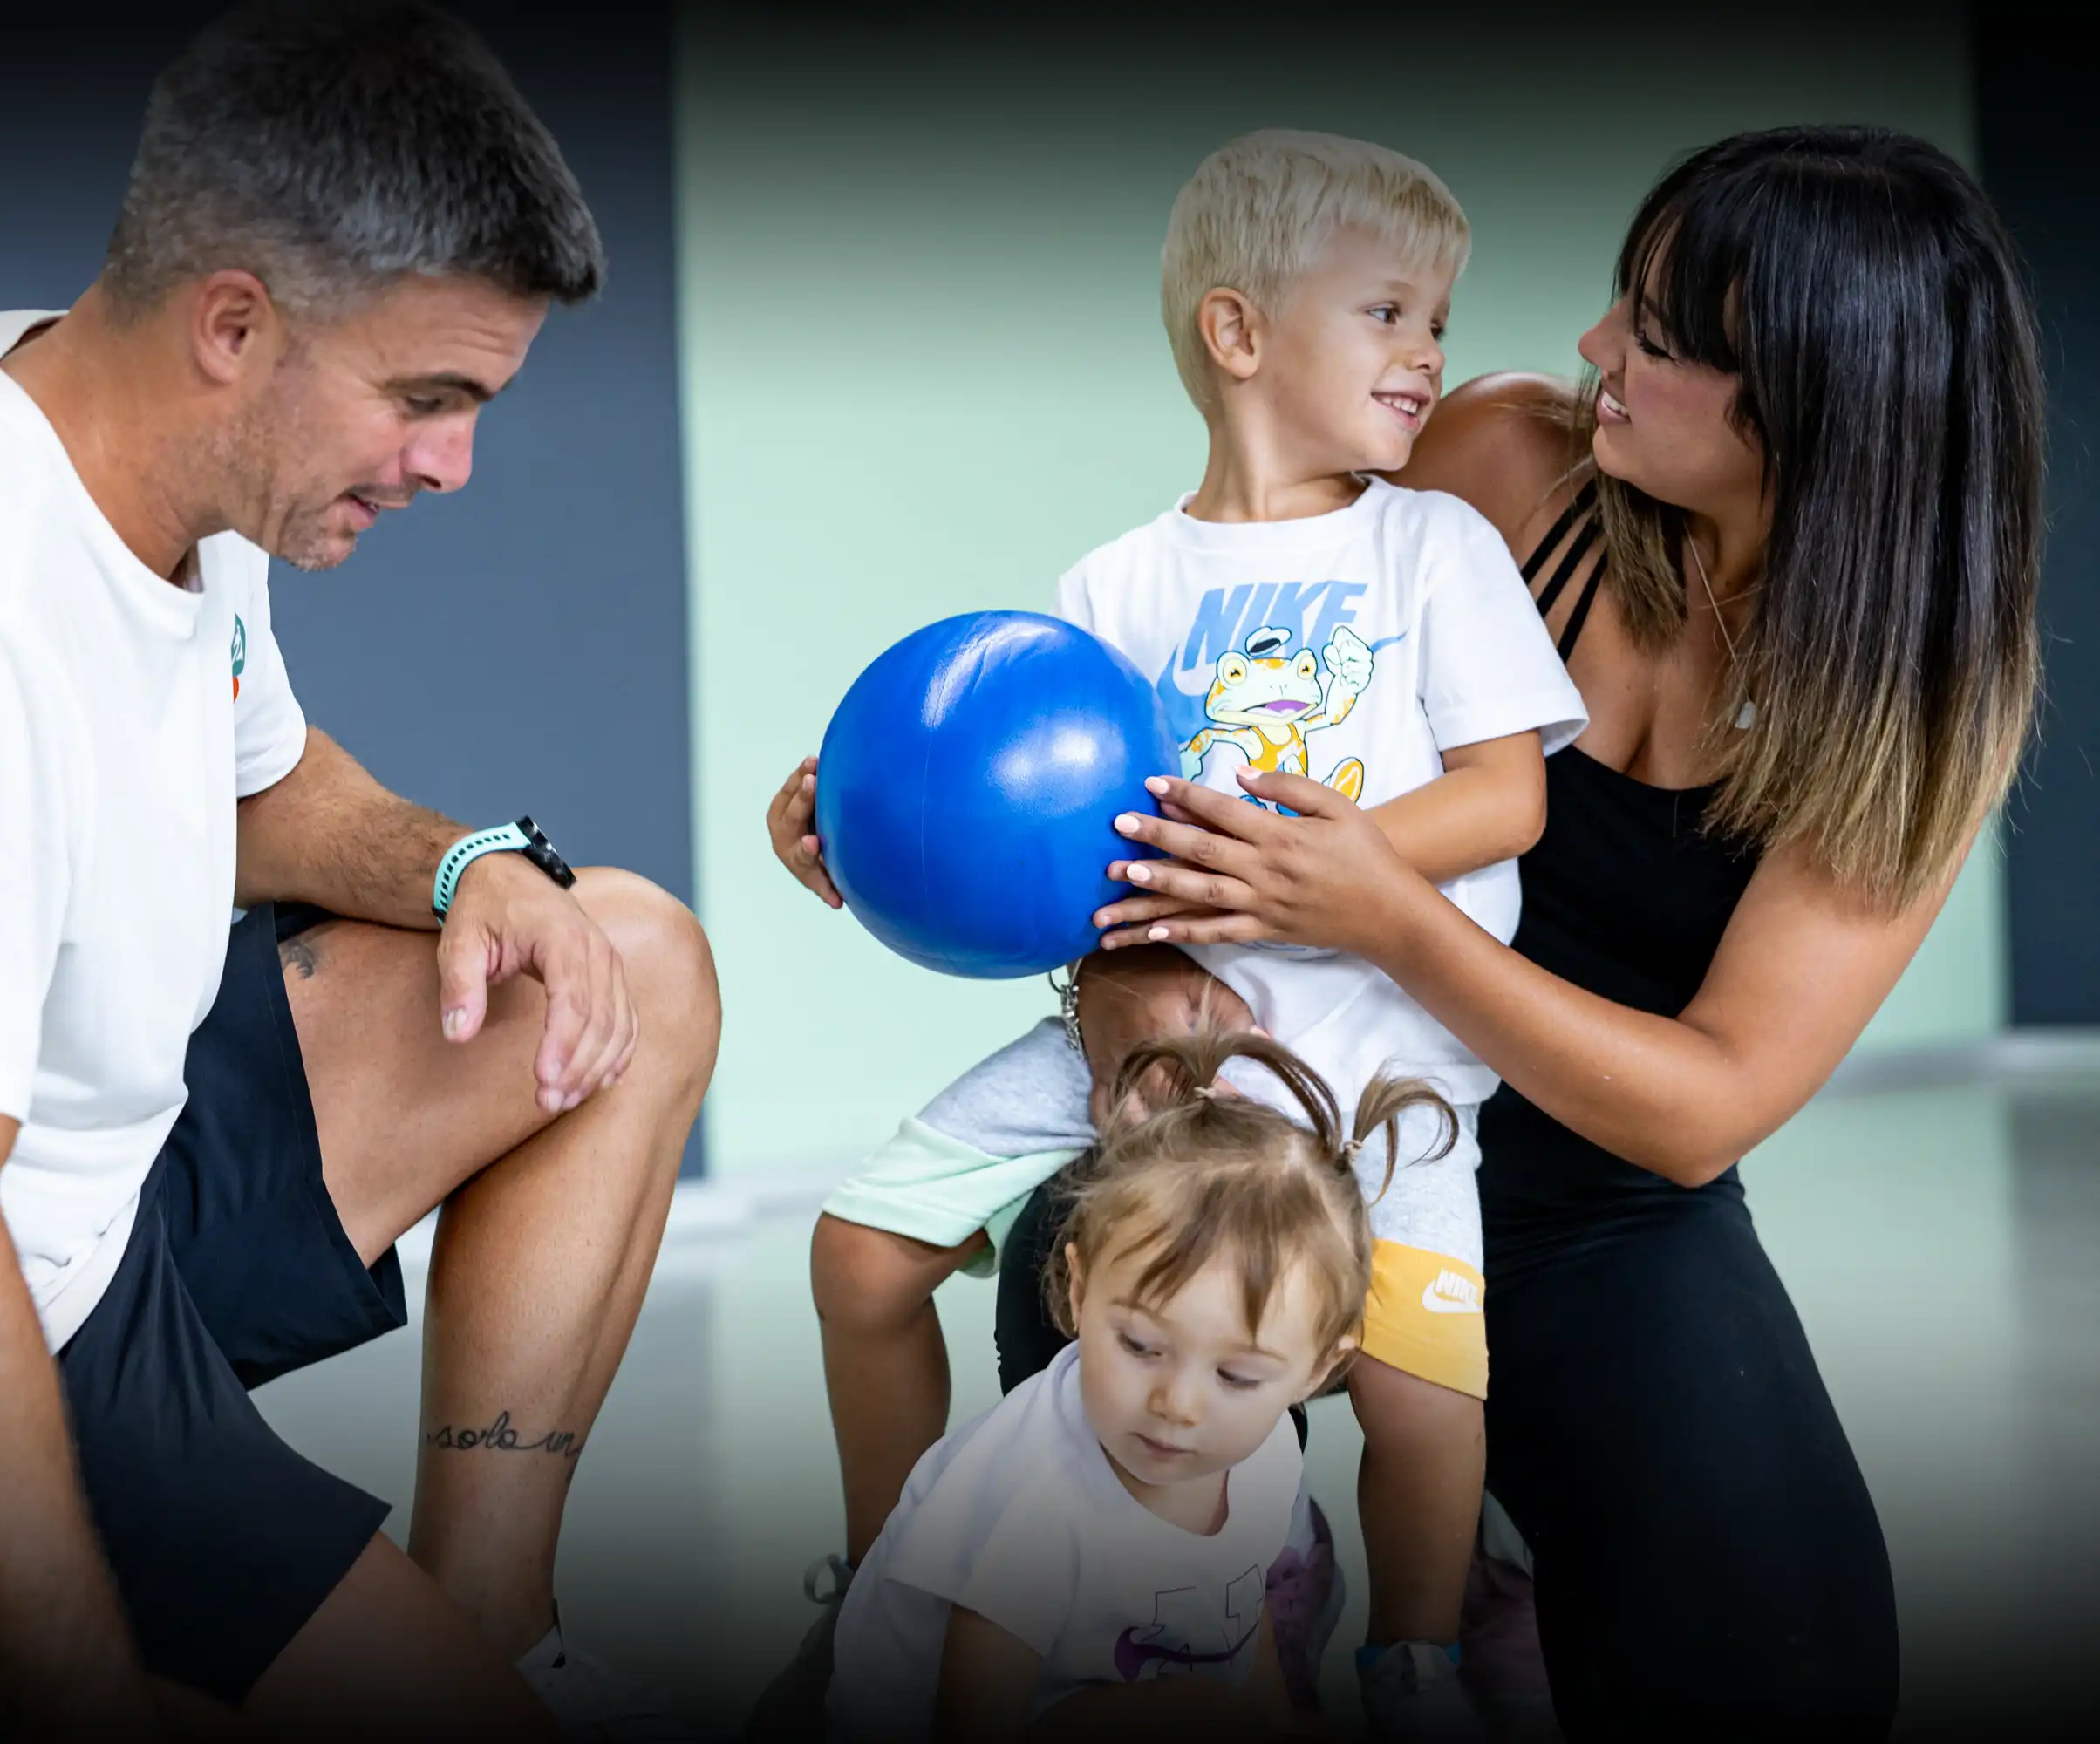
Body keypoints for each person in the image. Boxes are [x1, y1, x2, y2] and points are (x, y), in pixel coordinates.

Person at [0, 4, 719, 1736]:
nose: (453, 465)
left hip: (90, 1197)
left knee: (626, 951)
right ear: (236, 323)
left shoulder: (142, 451)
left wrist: (471, 858)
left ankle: (492, 1624)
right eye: (427, 398)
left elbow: (262, 790)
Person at [991, 126, 2046, 1737]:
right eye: (1623, 298)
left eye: (1660, 339)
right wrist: (938, 831)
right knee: (1075, 1335)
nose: (1593, 348)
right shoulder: (1502, 462)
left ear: (1817, 415)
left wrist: (1397, 920)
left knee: (1799, 1675)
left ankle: (1491, 1559)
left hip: (1595, 1209)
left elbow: (1705, 1107)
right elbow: (1194, 706)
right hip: (1296, 1120)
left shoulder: (1919, 701)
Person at [764, 131, 1584, 1735]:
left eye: (1439, 318)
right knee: (861, 1254)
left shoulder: (1432, 549)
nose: (1431, 353)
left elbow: (1506, 798)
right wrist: (865, 835)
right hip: (1166, 1047)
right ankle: (889, 1586)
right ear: (1239, 332)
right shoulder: (1113, 586)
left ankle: (1412, 1654)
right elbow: (1046, 843)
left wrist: (1309, 870)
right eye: (1392, 312)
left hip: (1384, 1046)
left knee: (1420, 1392)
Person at [826, 1030, 1454, 1740]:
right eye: (1139, 1346)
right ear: (1081, 1285)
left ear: (1320, 1368)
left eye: (1237, 1375)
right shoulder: (1034, 1501)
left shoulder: (1267, 1446)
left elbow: (1242, 1619)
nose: (1176, 1406)